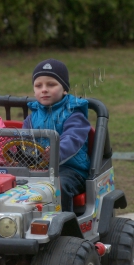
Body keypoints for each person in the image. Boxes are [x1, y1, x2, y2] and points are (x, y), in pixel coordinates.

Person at [23, 58, 91, 212]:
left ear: (64, 89)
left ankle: (62, 224)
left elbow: (73, 139)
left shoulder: (74, 113)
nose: (44, 89)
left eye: (51, 84)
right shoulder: (32, 117)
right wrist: (19, 155)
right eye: (38, 85)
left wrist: (55, 152)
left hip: (70, 169)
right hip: (39, 168)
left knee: (58, 185)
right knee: (15, 184)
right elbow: (22, 140)